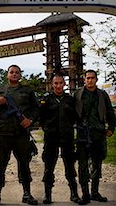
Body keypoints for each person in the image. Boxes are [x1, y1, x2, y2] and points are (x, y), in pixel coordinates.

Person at [0, 65, 40, 205]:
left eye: (17, 72)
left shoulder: (27, 91)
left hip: (21, 133)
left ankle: (27, 194)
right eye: (12, 72)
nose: (14, 74)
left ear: (20, 75)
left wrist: (30, 120)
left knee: (24, 164)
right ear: (7, 75)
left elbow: (36, 109)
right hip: (3, 133)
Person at [73, 69, 116, 205]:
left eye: (92, 78)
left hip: (98, 133)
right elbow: (71, 112)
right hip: (82, 134)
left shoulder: (102, 95)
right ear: (84, 80)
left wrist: (111, 129)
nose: (90, 80)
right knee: (83, 165)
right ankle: (85, 194)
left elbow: (110, 112)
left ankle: (95, 192)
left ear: (96, 80)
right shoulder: (78, 94)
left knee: (97, 164)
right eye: (87, 78)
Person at [40, 74, 80, 204]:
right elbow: (41, 118)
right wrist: (47, 128)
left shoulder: (70, 99)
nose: (58, 86)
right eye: (55, 83)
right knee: (49, 167)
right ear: (52, 84)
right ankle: (47, 195)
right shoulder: (46, 100)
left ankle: (74, 194)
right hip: (51, 137)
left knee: (70, 166)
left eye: (60, 83)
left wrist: (69, 126)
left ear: (64, 84)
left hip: (67, 137)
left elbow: (75, 115)